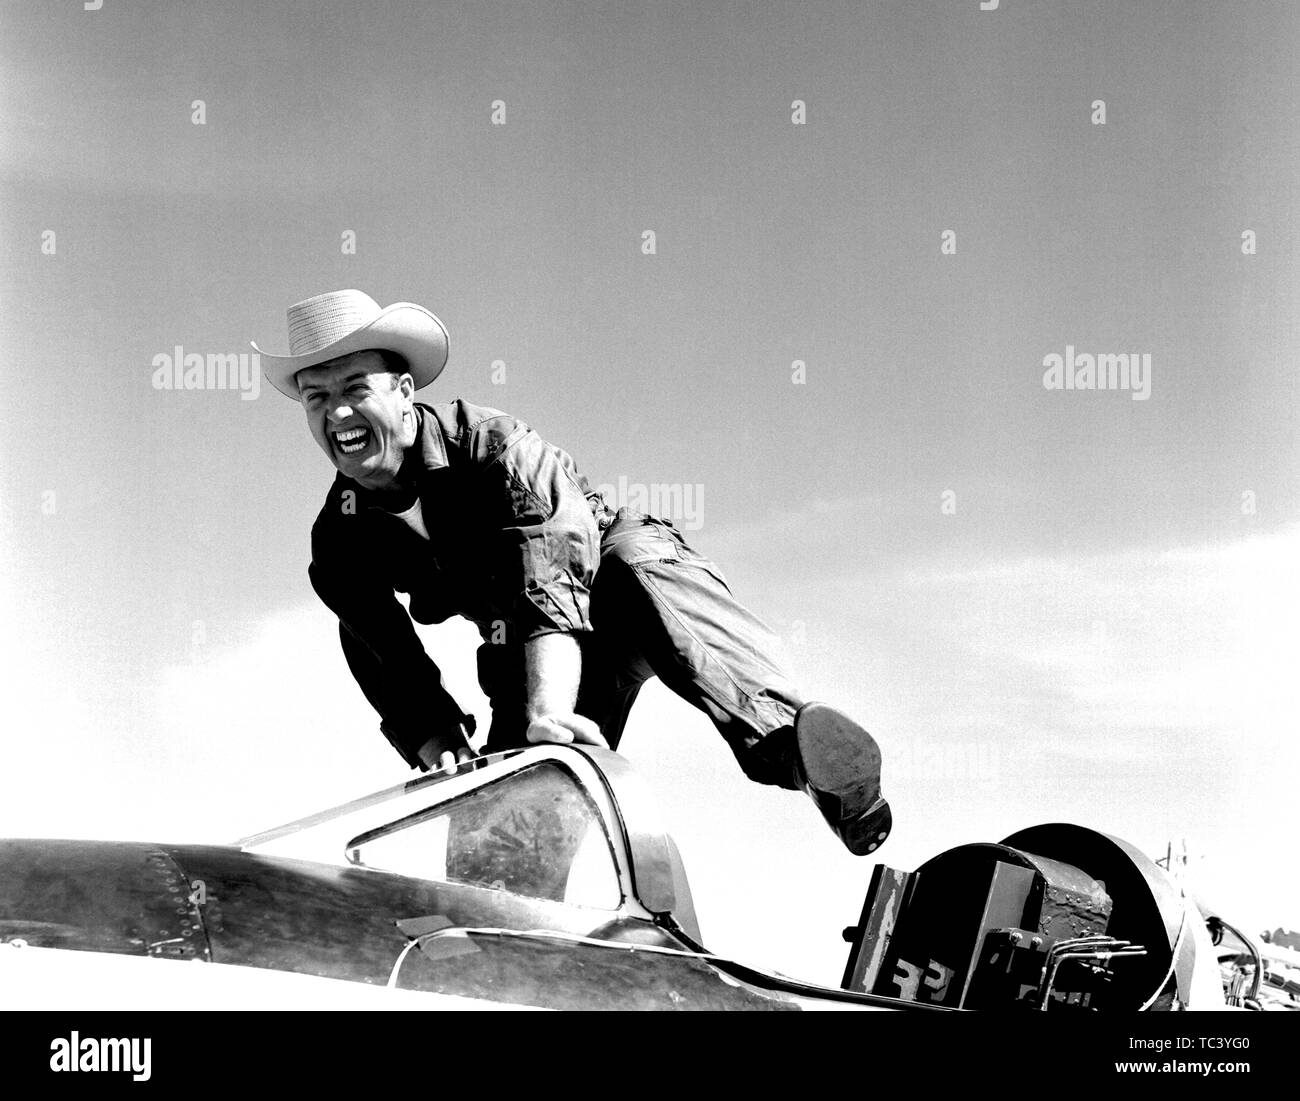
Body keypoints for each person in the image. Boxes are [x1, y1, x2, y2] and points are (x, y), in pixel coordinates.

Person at [254, 289, 892, 855]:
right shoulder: (339, 537)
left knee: (639, 569)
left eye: (354, 390)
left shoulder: (495, 446)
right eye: (317, 399)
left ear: (403, 391)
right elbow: (377, 646)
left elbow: (551, 569)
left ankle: (816, 765)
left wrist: (550, 709)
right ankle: (507, 934)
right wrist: (435, 739)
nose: (336, 415)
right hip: (524, 649)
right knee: (497, 842)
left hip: (611, 595)